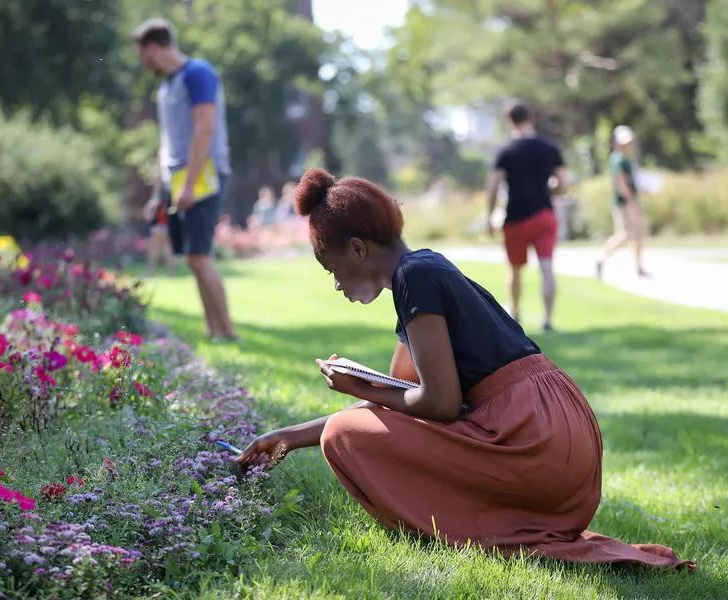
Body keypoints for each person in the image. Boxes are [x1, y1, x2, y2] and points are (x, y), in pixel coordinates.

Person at [235, 167, 694, 571]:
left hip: (534, 438)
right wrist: (292, 436)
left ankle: (463, 527)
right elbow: (402, 398)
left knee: (343, 435)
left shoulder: (415, 280)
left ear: (356, 249)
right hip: (555, 434)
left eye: (329, 267)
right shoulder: (422, 272)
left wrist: (361, 389)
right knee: (343, 427)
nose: (335, 283)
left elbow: (439, 404)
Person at [134, 18, 237, 342]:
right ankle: (213, 330)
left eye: (142, 54)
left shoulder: (198, 73)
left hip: (204, 175)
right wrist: (158, 192)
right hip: (179, 179)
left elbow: (204, 129)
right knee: (193, 259)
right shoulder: (166, 87)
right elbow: (167, 144)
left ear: (153, 47)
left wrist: (190, 185)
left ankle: (228, 333)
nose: (143, 61)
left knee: (199, 256)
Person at [486, 103, 567, 332]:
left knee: (514, 268)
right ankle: (548, 320)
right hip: (544, 215)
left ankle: (515, 312)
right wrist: (550, 191)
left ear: (509, 121)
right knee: (547, 267)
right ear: (530, 118)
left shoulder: (506, 151)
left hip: (515, 219)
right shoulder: (550, 148)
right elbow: (563, 183)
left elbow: (493, 187)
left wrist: (489, 215)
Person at [596, 126, 649, 278]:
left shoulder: (625, 159)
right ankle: (601, 259)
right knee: (624, 234)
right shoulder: (618, 159)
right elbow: (621, 183)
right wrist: (631, 201)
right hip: (625, 203)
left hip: (631, 200)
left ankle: (639, 266)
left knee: (637, 234)